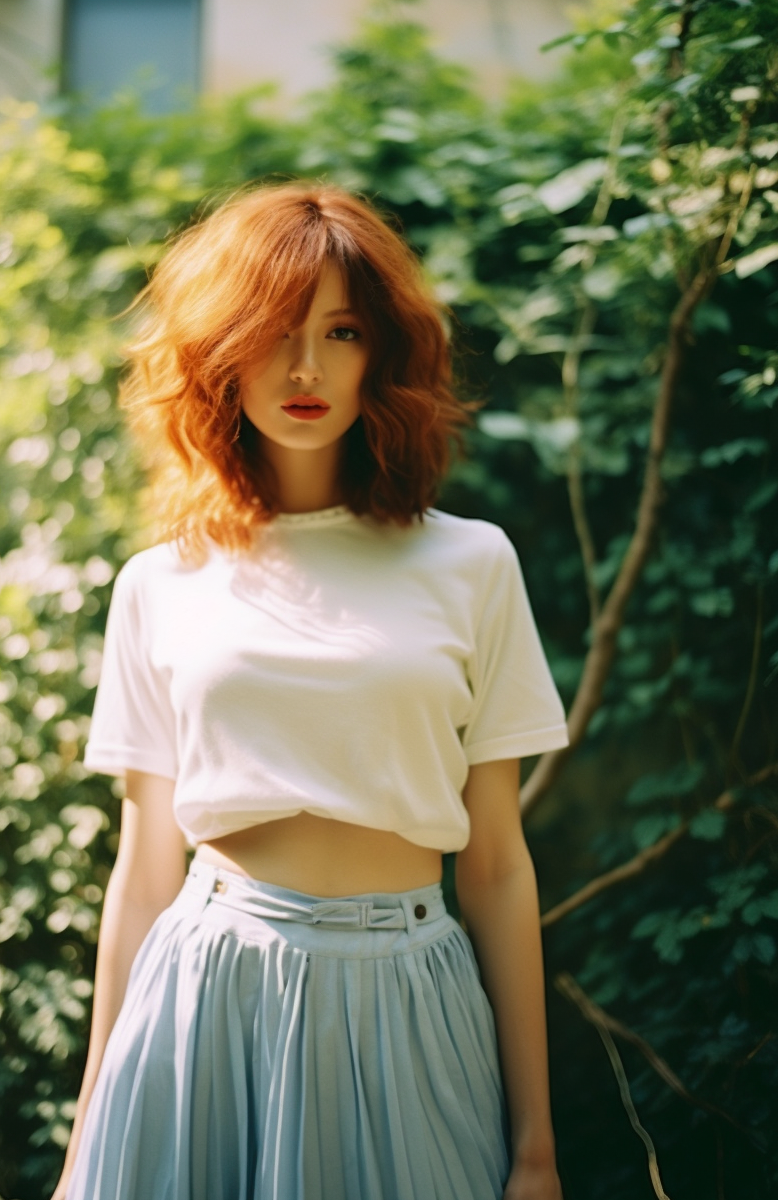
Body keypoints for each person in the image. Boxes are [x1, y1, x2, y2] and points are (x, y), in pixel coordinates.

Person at [50, 182, 570, 1200]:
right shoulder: (159, 581)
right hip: (208, 993)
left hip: (411, 998)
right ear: (220, 351)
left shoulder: (472, 563)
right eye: (276, 330)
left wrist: (537, 1147)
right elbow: (145, 871)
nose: (304, 368)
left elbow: (500, 867)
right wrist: (84, 1148)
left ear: (381, 352)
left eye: (339, 332)